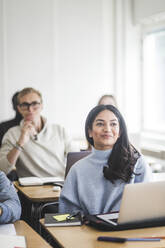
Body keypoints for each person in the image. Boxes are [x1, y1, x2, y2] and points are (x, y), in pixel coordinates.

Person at [59, 105, 152, 215]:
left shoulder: (137, 162)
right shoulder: (77, 170)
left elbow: (148, 204)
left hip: (129, 229)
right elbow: (67, 212)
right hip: (89, 230)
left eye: (113, 124)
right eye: (100, 124)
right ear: (89, 131)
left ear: (120, 131)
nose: (107, 129)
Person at [0, 87, 78, 179]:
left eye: (34, 104)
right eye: (25, 105)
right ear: (19, 108)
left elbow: (76, 160)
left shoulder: (59, 130)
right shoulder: (12, 134)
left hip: (60, 184)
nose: (30, 109)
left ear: (41, 106)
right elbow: (3, 169)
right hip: (32, 189)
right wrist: (20, 143)